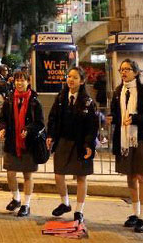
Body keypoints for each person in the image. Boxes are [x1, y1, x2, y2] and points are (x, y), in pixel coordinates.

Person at [109, 59, 143, 233]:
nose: (123, 73)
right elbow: (116, 115)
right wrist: (112, 119)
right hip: (124, 139)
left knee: (142, 176)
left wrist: (136, 118)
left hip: (140, 139)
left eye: (127, 69)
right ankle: (135, 213)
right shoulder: (118, 91)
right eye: (121, 69)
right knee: (130, 176)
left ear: (136, 72)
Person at [47, 66, 98, 224]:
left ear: (82, 81)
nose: (70, 80)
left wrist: (89, 144)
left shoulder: (88, 102)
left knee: (81, 177)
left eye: (75, 77)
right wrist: (50, 135)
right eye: (69, 76)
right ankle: (65, 203)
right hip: (63, 140)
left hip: (80, 143)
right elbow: (53, 118)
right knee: (58, 174)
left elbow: (92, 126)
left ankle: (79, 210)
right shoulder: (61, 97)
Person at [0, 66, 44, 217]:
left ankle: (26, 204)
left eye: (22, 80)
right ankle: (16, 198)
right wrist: (2, 128)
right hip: (12, 142)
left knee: (27, 175)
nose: (19, 83)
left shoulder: (35, 102)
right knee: (10, 173)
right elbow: (2, 118)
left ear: (28, 82)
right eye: (17, 80)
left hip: (29, 144)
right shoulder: (9, 100)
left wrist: (29, 129)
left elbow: (40, 123)